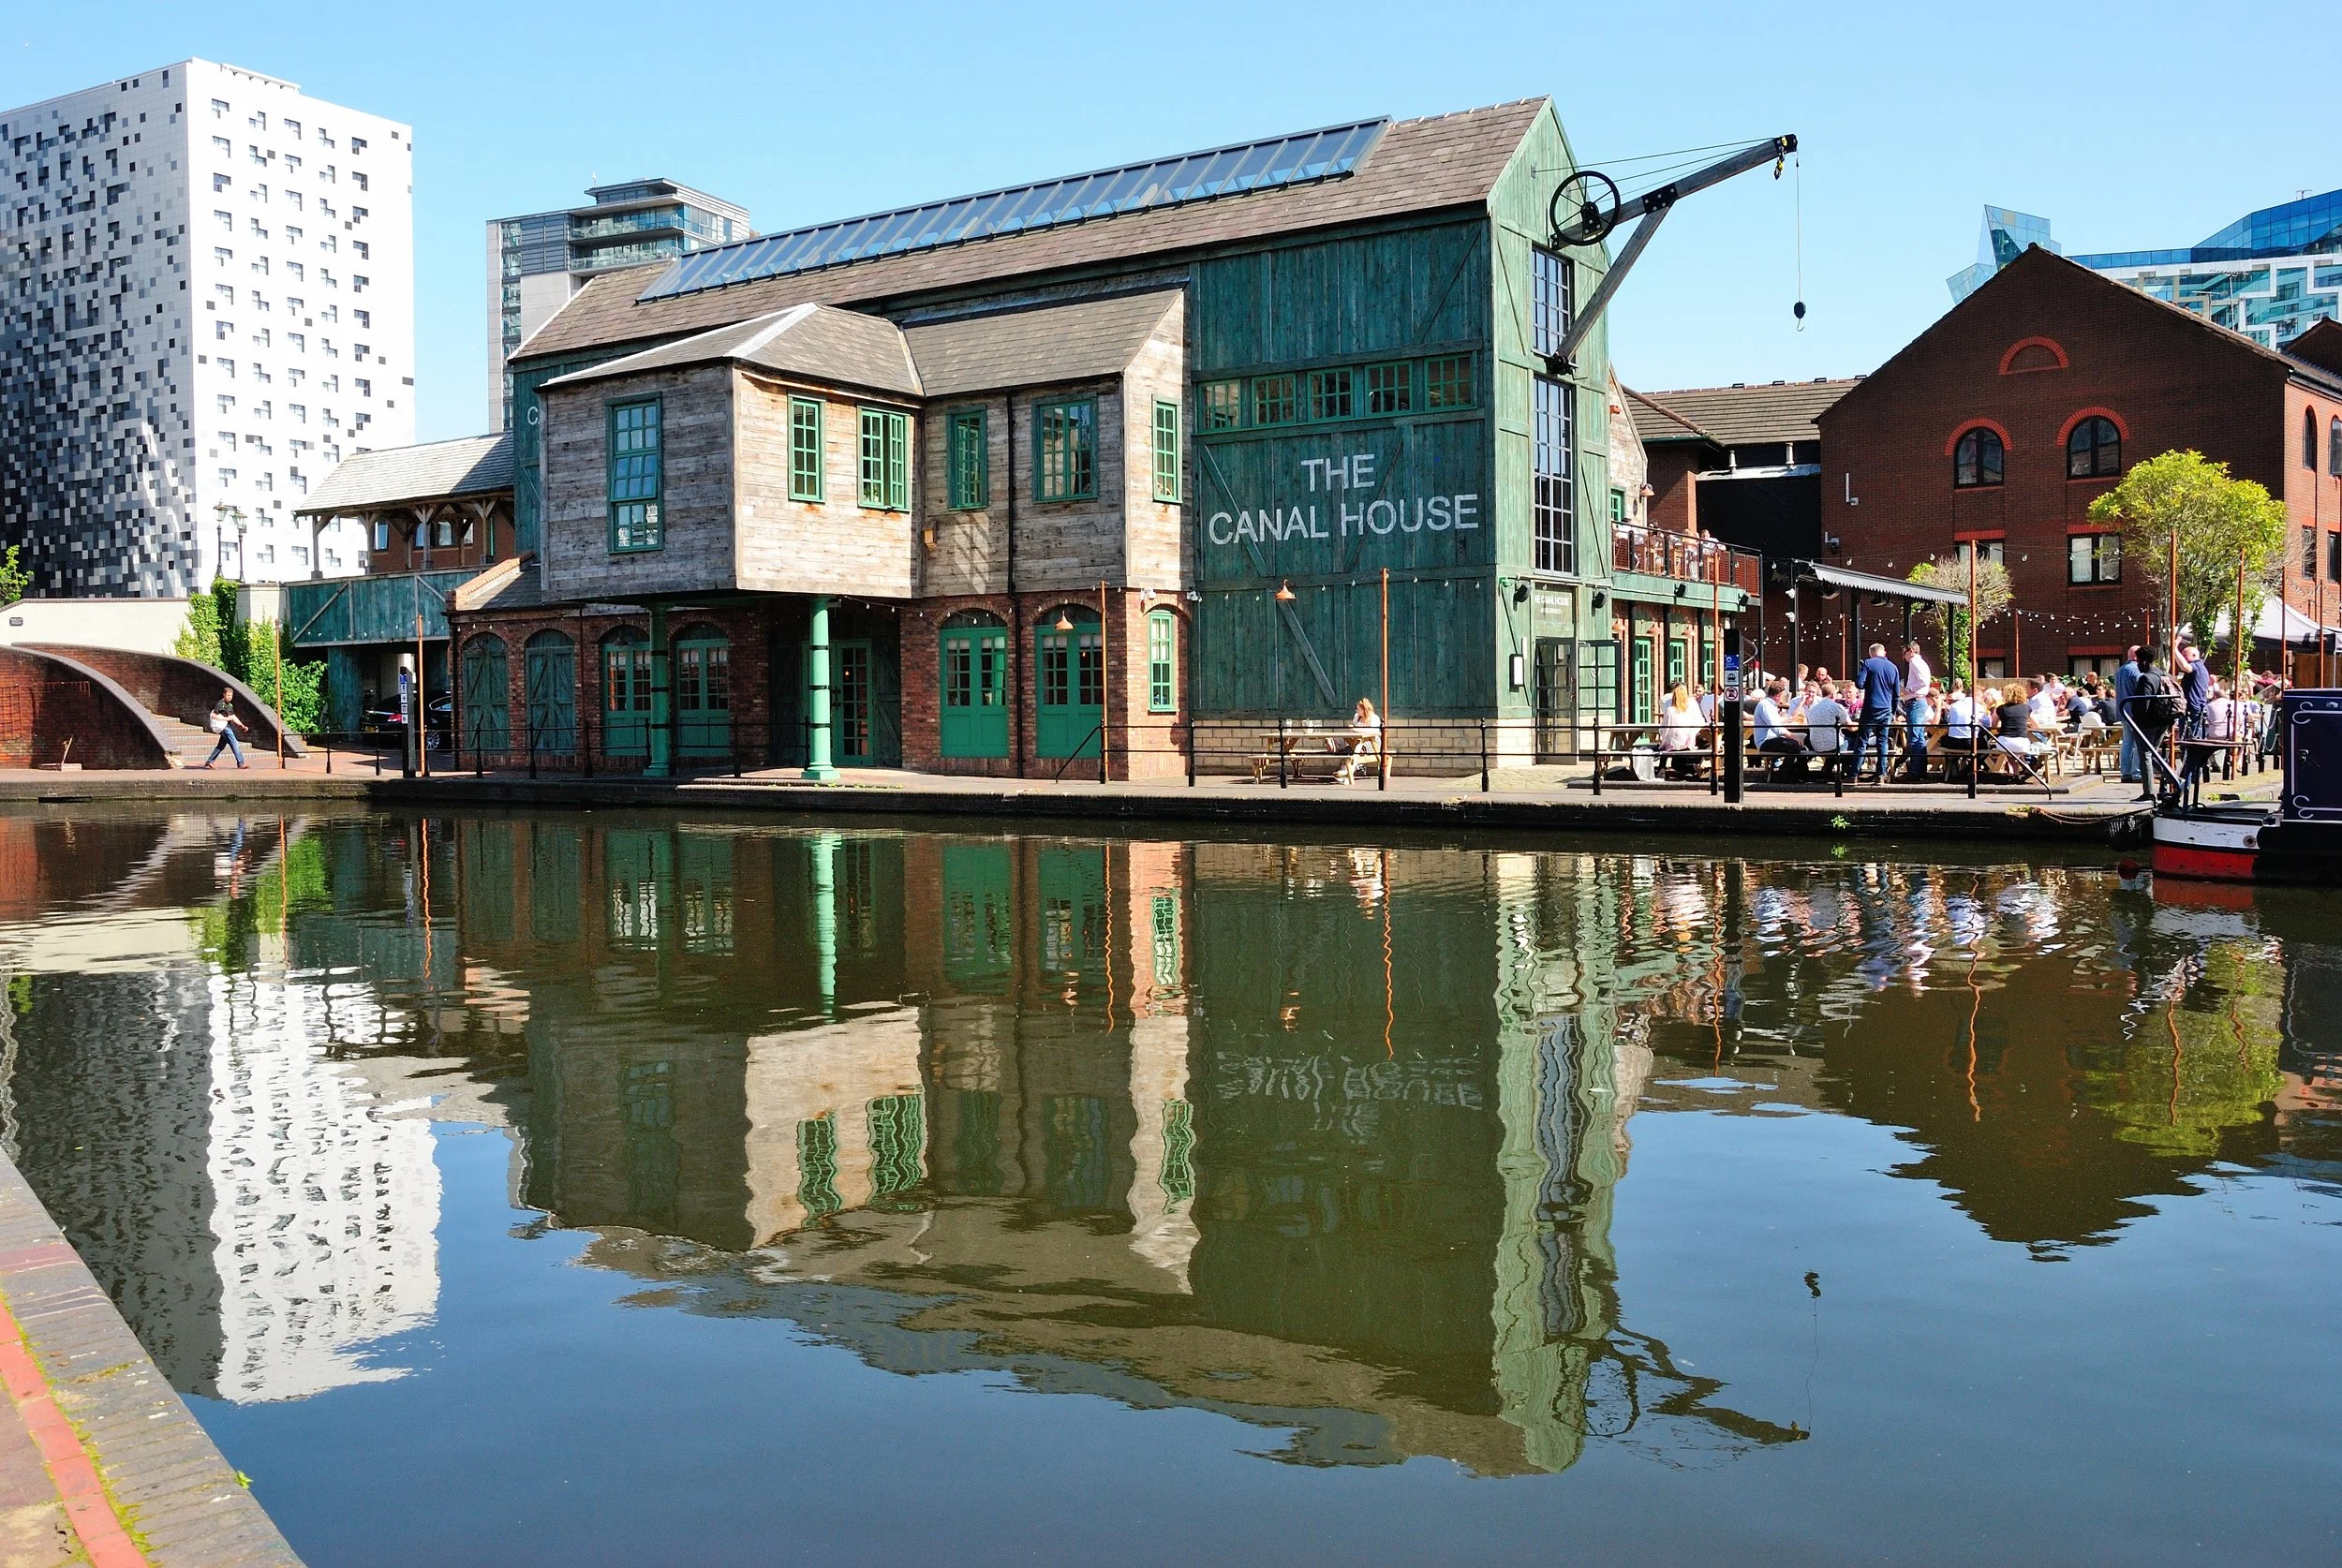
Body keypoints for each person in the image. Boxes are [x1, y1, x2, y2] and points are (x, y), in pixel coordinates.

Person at [1853, 643, 1900, 782]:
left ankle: (1854, 774)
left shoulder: (1868, 663)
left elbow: (1859, 684)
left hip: (1870, 707)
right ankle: (1881, 775)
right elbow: (1896, 693)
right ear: (1883, 652)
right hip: (1886, 709)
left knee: (1862, 741)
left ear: (1871, 653)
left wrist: (1869, 682)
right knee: (1883, 741)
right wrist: (1893, 711)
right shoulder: (1893, 667)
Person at [1752, 677, 1811, 778]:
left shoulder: (1770, 705)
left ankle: (1801, 771)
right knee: (1794, 745)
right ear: (1778, 696)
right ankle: (1783, 773)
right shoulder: (1765, 706)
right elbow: (1777, 728)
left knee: (1805, 738)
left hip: (1772, 739)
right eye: (1783, 696)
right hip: (1765, 742)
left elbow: (1777, 721)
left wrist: (1791, 719)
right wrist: (1793, 736)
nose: (1784, 698)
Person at [1898, 640, 1933, 777]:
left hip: (1915, 701)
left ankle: (1915, 772)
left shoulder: (1914, 662)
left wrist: (1908, 690)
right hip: (1919, 701)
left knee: (1914, 737)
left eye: (1904, 653)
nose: (1903, 656)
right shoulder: (1921, 662)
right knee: (1919, 738)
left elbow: (1922, 681)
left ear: (1911, 651)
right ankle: (1920, 771)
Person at [1803, 678, 1849, 778]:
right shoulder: (1836, 706)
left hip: (1816, 745)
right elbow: (1849, 725)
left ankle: (1827, 769)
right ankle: (1848, 772)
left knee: (1834, 742)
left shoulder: (1813, 708)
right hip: (1833, 745)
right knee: (1849, 742)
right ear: (1833, 694)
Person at [1656, 683, 1705, 778]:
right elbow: (1699, 721)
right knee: (1676, 763)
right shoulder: (1691, 706)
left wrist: (1661, 736)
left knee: (1665, 746)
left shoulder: (1670, 709)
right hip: (1688, 742)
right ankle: (1691, 768)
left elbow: (1664, 728)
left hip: (1673, 744)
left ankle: (1661, 770)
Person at [2113, 645, 2143, 783]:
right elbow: (2142, 689)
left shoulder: (2120, 671)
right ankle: (2136, 773)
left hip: (2123, 711)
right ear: (2137, 656)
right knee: (2138, 743)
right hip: (2135, 712)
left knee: (2126, 742)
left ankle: (2125, 773)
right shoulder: (2136, 670)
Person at [201, 687, 251, 769]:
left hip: (227, 726)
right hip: (224, 727)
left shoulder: (230, 705)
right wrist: (226, 719)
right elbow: (214, 715)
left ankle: (209, 762)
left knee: (221, 746)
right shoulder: (221, 703)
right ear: (224, 694)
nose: (229, 697)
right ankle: (241, 763)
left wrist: (242, 726)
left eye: (231, 695)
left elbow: (233, 717)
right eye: (228, 695)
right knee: (235, 743)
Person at [1940, 680, 1980, 779]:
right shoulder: (1978, 706)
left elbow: (1948, 720)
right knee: (1986, 746)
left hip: (1953, 742)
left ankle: (1952, 766)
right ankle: (1968, 771)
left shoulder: (1954, 705)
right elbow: (1988, 723)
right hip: (1970, 743)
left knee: (1943, 741)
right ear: (1977, 696)